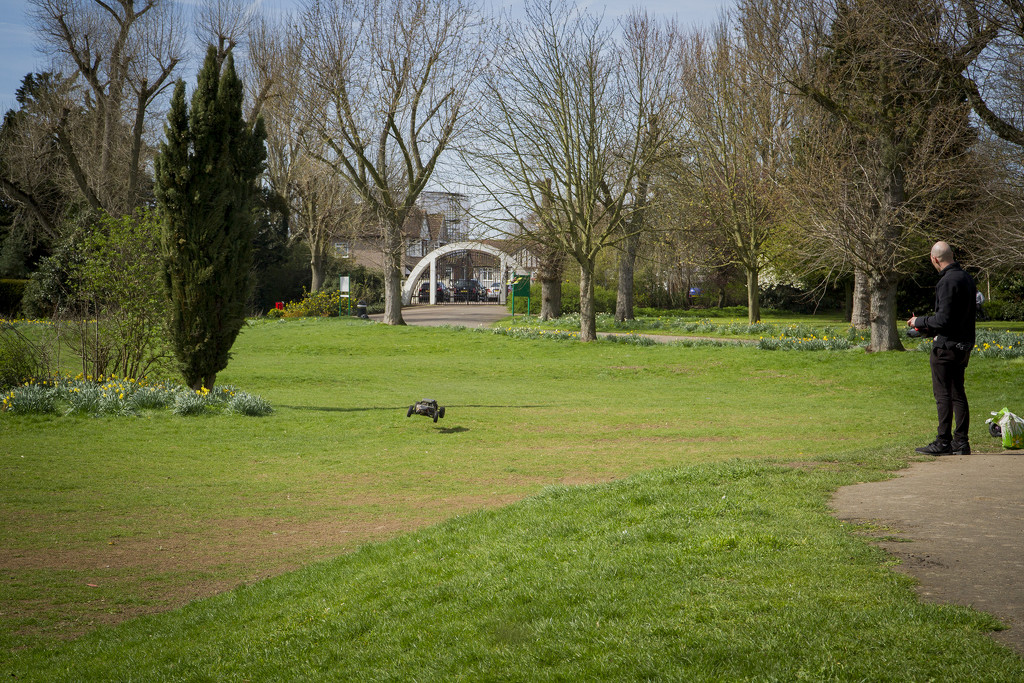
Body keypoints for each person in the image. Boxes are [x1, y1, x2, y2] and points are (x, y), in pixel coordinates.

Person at [908, 241, 977, 455]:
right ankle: (961, 442)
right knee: (958, 393)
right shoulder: (966, 278)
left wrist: (918, 321)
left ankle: (943, 441)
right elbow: (958, 318)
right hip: (963, 344)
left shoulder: (947, 281)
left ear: (935, 259)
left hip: (946, 347)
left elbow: (943, 319)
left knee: (943, 394)